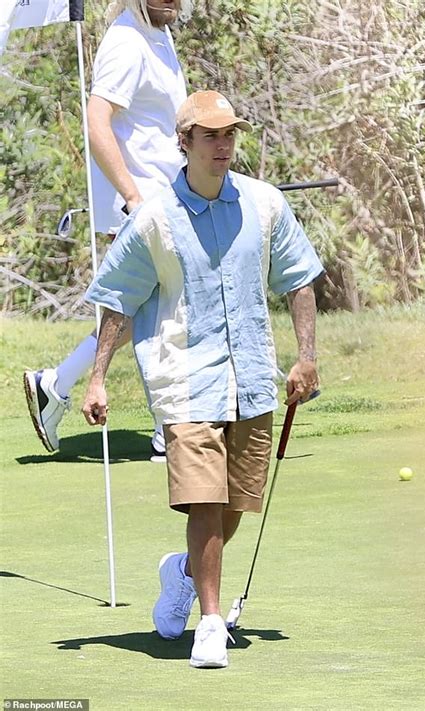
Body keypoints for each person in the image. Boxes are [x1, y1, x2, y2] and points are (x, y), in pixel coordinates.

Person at [82, 90, 324, 668]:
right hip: (184, 380)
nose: (224, 145)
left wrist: (307, 356)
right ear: (184, 142)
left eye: (230, 135)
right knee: (205, 502)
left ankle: (184, 572)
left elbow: (300, 280)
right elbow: (117, 299)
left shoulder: (264, 205)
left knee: (237, 504)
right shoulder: (154, 219)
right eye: (211, 135)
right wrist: (97, 379)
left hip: (253, 379)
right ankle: (210, 622)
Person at [23, 0, 191, 461]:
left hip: (167, 200)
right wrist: (133, 201)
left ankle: (54, 385)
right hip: (141, 205)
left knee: (140, 314)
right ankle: (167, 434)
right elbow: (97, 125)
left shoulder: (158, 30)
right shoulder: (125, 40)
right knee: (165, 312)